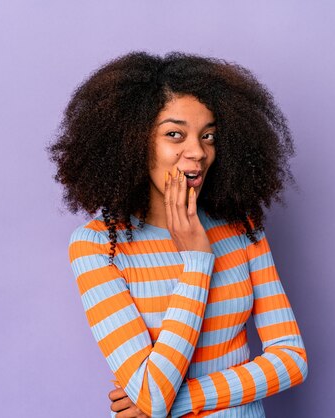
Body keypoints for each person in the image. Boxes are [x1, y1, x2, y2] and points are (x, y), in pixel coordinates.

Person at [48, 51, 308, 418]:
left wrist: (175, 400)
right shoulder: (97, 246)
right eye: (175, 134)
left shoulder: (243, 227)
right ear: (134, 142)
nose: (198, 152)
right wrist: (198, 260)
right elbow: (153, 394)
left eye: (209, 136)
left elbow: (291, 358)